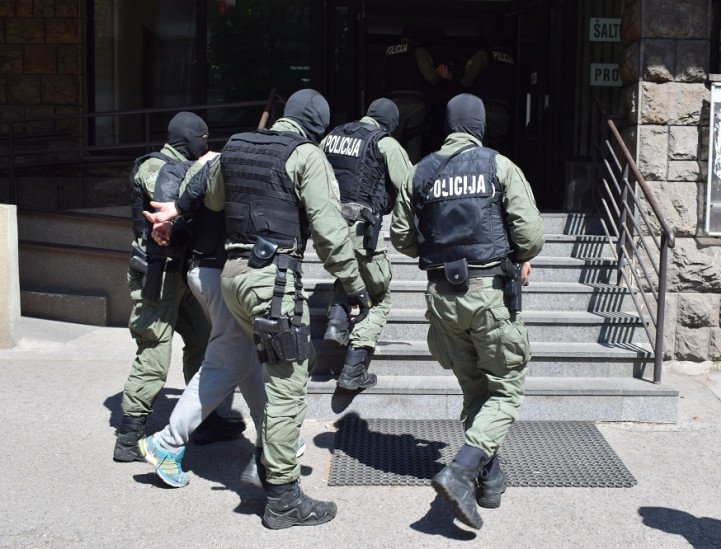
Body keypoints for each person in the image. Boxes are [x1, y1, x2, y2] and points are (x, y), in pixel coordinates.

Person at [147, 89, 370, 530]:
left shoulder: (237, 145)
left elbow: (213, 200)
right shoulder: (306, 155)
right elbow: (329, 232)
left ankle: (261, 458)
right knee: (287, 385)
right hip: (274, 281)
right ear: (317, 126)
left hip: (230, 275)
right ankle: (283, 498)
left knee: (247, 362)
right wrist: (354, 285)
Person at [390, 93, 543, 530]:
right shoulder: (499, 166)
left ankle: (488, 479)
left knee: (476, 391)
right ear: (479, 126)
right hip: (489, 294)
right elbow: (531, 237)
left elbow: (401, 237)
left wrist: (438, 250)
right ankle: (460, 471)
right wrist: (518, 255)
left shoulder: (420, 171)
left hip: (442, 297)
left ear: (448, 125)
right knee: (506, 391)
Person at [135, 152, 268, 488]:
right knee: (225, 363)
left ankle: (273, 439)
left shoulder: (213, 165)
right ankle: (166, 443)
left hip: (203, 270)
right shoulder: (239, 166)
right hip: (218, 272)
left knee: (246, 359)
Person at [114, 112, 238, 463]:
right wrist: (206, 168)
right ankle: (130, 433)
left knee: (203, 342)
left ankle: (204, 420)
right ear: (187, 137)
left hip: (184, 273)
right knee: (154, 348)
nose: (206, 144)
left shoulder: (186, 163)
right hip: (158, 274)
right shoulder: (154, 165)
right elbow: (166, 199)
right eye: (203, 138)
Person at [320, 98, 412, 390]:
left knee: (350, 277)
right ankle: (354, 368)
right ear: (390, 122)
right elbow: (410, 186)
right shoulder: (384, 143)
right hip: (360, 232)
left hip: (328, 230)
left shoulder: (331, 137)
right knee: (379, 294)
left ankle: (336, 323)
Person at [384, 25, 444, 163]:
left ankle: (391, 173)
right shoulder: (418, 50)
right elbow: (431, 77)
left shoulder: (389, 51)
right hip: (414, 105)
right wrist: (440, 76)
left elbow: (384, 79)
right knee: (413, 146)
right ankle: (412, 174)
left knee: (392, 146)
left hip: (393, 104)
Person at [460, 30, 516, 154]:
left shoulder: (483, 55)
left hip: (482, 110)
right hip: (502, 112)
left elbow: (466, 82)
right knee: (496, 152)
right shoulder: (511, 59)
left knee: (478, 151)